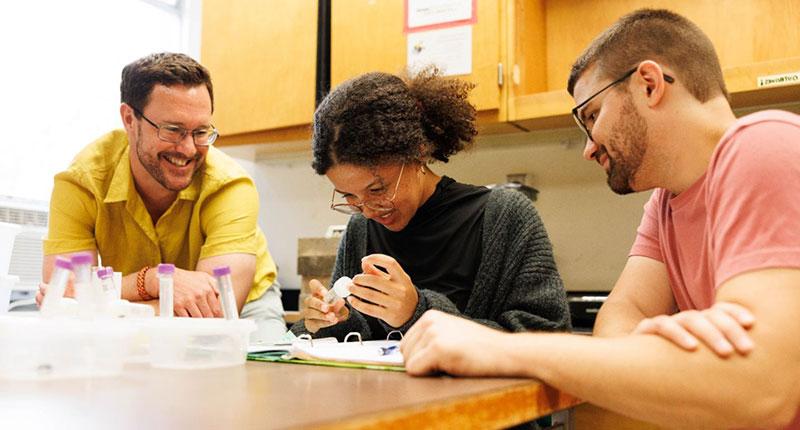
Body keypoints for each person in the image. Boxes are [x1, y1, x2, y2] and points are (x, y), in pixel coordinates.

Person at [400, 9, 800, 429]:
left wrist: (498, 348)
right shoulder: (665, 203)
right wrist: (671, 353)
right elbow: (618, 321)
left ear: (649, 84)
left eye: (591, 115)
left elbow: (763, 387)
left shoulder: (763, 142)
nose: (589, 148)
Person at [290, 70, 570, 340]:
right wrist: (332, 322)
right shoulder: (360, 229)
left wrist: (417, 312)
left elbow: (548, 340)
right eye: (349, 197)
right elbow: (359, 333)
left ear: (418, 152)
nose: (369, 209)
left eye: (377, 189)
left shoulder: (504, 217)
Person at [38, 52, 286, 342]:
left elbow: (216, 314)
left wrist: (101, 302)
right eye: (173, 130)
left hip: (244, 310)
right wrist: (152, 280)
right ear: (129, 119)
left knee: (265, 376)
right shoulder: (82, 182)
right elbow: (62, 297)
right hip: (137, 310)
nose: (189, 149)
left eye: (201, 132)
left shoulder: (230, 186)